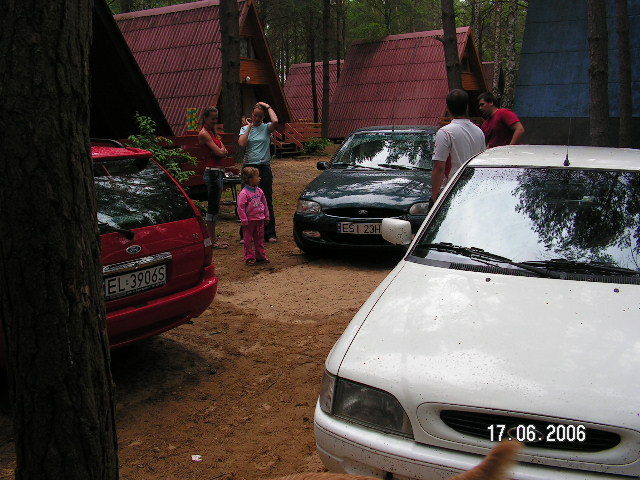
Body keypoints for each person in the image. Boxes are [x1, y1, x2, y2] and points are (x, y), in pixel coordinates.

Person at [431, 89, 486, 205]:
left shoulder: (445, 132)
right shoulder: (479, 132)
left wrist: (434, 198)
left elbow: (439, 167)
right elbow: (482, 164)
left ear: (447, 108)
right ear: (467, 107)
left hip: (451, 192)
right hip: (472, 191)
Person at [238, 102, 278, 243]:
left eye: (260, 116)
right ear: (252, 115)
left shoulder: (267, 128)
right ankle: (245, 233)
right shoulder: (245, 128)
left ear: (263, 117)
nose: (257, 118)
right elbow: (242, 143)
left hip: (263, 167)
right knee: (246, 200)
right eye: (255, 115)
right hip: (249, 167)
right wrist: (249, 127)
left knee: (266, 199)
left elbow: (275, 121)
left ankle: (269, 233)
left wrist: (267, 106)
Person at [198, 106, 229, 249]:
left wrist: (222, 151)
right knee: (213, 207)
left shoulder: (213, 133)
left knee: (215, 206)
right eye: (212, 118)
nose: (215, 121)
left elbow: (224, 150)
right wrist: (221, 151)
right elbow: (220, 152)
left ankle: (212, 238)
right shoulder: (204, 134)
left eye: (216, 118)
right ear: (205, 118)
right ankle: (211, 240)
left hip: (218, 172)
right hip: (212, 172)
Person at [237, 167, 270, 266]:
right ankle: (249, 257)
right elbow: (241, 208)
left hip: (260, 219)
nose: (259, 178)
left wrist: (266, 216)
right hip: (249, 221)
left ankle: (261, 256)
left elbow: (265, 204)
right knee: (248, 240)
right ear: (250, 179)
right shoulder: (244, 193)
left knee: (260, 239)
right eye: (257, 176)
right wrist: (244, 220)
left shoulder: (260, 191)